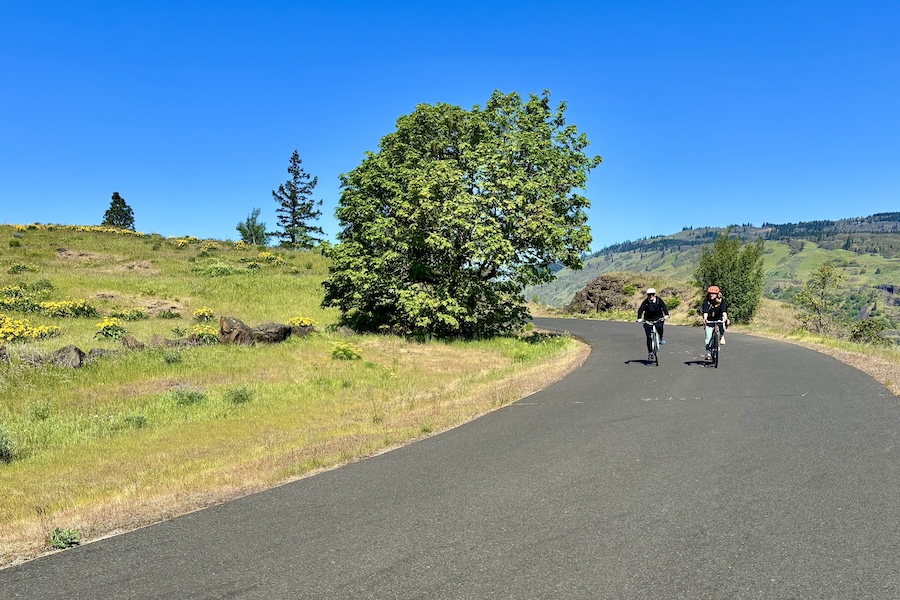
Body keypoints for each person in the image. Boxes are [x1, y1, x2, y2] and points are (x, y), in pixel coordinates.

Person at [637, 288, 669, 361]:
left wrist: (666, 315)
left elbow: (664, 307)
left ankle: (660, 337)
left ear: (655, 294)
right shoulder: (645, 302)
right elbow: (641, 310)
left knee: (660, 327)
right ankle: (650, 352)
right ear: (647, 295)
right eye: (649, 295)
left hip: (658, 318)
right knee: (649, 337)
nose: (651, 296)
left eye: (652, 294)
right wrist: (639, 318)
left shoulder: (659, 301)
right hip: (648, 320)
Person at [702, 285, 729, 361]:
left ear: (717, 294)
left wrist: (726, 319)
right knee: (708, 337)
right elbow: (705, 311)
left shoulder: (721, 301)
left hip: (719, 318)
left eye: (713, 293)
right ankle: (708, 353)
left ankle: (721, 336)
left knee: (722, 326)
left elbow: (724, 311)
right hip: (710, 320)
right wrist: (705, 319)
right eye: (710, 293)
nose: (711, 295)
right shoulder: (706, 301)